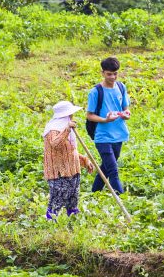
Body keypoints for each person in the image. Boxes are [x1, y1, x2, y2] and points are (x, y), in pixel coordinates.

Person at [87, 57, 131, 195]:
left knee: (106, 167)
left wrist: (126, 114)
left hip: (119, 134)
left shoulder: (121, 87)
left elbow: (126, 107)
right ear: (103, 73)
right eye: (109, 74)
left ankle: (95, 193)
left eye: (115, 73)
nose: (113, 77)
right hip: (103, 136)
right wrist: (105, 120)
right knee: (113, 170)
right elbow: (89, 115)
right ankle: (122, 199)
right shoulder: (95, 92)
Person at [43, 101, 93, 220]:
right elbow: (55, 144)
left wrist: (85, 161)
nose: (72, 117)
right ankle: (50, 220)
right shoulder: (53, 130)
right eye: (70, 115)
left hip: (72, 171)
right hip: (59, 172)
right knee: (58, 197)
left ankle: (73, 218)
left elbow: (70, 151)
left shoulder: (69, 131)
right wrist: (67, 129)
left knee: (73, 196)